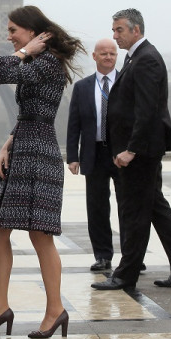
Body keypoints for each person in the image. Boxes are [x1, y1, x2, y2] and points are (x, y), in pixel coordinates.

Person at [0, 5, 85, 339]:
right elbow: (31, 110)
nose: (8, 37)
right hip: (25, 145)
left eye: (13, 31)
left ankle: (55, 310)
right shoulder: (37, 62)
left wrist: (27, 51)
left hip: (38, 153)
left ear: (32, 32)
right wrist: (9, 140)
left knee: (40, 235)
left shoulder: (46, 62)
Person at [91, 9, 171, 291]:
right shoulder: (138, 57)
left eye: (119, 30)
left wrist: (131, 150)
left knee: (134, 213)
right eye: (113, 30)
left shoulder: (146, 59)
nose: (115, 36)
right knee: (154, 209)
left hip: (141, 153)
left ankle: (126, 274)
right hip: (142, 151)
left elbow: (147, 110)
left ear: (135, 30)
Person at [66, 39, 124, 271]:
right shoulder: (82, 87)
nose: (108, 57)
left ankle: (132, 256)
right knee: (97, 208)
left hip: (121, 154)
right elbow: (74, 124)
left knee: (127, 208)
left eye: (112, 53)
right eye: (104, 53)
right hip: (94, 153)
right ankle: (103, 255)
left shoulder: (126, 82)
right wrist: (72, 156)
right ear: (94, 56)